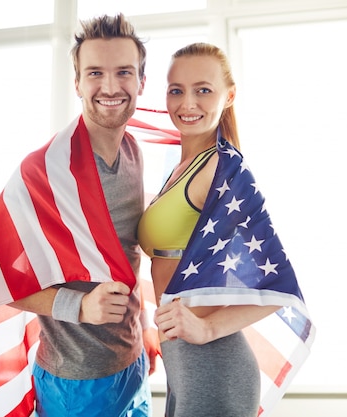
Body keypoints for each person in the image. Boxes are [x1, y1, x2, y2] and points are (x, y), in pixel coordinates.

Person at [0, 13, 159, 417]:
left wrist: (144, 328)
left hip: (133, 368)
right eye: (95, 72)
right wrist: (79, 308)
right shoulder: (42, 171)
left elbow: (125, 257)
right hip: (74, 383)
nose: (110, 86)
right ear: (77, 83)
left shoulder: (134, 153)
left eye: (123, 72)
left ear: (141, 82)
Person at [137, 43, 315, 417]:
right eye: (176, 90)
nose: (188, 103)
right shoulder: (181, 167)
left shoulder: (223, 166)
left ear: (228, 95)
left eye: (203, 90)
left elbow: (277, 284)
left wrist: (206, 330)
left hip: (213, 362)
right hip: (181, 356)